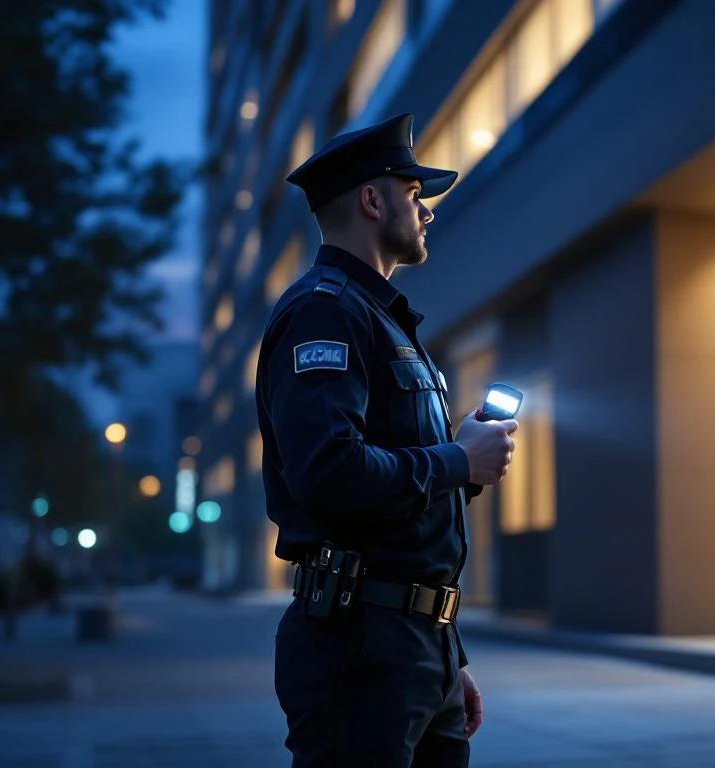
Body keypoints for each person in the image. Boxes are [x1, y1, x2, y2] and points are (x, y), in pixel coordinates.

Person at [255, 112, 518, 767]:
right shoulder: (327, 312)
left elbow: (406, 519)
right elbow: (331, 474)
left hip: (417, 651)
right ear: (372, 200)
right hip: (359, 650)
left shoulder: (384, 322)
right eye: (413, 194)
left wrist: (445, 654)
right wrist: (457, 459)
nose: (425, 211)